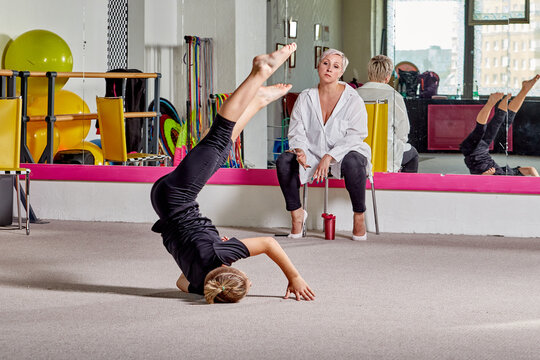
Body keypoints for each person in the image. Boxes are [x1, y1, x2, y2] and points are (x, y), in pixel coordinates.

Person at [150, 43, 315, 304]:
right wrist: (210, 245)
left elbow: (270, 245)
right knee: (221, 149)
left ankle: (260, 71)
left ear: (231, 270)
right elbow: (181, 282)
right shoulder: (199, 282)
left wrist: (294, 277)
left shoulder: (220, 256)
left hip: (178, 198)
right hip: (165, 204)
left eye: (244, 279)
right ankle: (257, 102)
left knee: (217, 138)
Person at [276, 49, 371, 241]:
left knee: (354, 161)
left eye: (335, 66)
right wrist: (300, 150)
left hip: (345, 152)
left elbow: (356, 134)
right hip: (312, 151)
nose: (329, 69)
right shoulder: (305, 97)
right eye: (326, 63)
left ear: (340, 72)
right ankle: (297, 215)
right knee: (284, 161)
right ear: (318, 66)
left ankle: (359, 216)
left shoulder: (353, 99)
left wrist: (330, 156)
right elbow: (296, 130)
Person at [460, 75, 539, 177]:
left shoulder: (502, 181)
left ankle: (491, 103)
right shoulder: (509, 174)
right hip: (483, 148)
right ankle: (525, 89)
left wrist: (486, 175)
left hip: (472, 151)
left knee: (480, 130)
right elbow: (530, 170)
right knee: (506, 119)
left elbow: (478, 182)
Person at [356, 55, 418, 173]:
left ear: (369, 73)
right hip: (386, 155)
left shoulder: (355, 94)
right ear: (388, 76)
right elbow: (403, 131)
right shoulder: (394, 96)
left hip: (359, 154)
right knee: (413, 154)